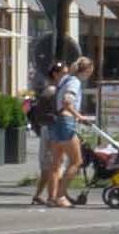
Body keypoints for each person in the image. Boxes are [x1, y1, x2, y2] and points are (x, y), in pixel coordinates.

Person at [39, 58, 93, 208]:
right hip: (66, 122)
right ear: (86, 71)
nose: (90, 75)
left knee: (56, 163)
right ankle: (61, 196)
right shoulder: (74, 82)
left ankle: (51, 197)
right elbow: (67, 102)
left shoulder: (64, 80)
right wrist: (79, 116)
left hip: (55, 123)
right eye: (90, 72)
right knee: (77, 161)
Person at [26, 63, 65, 205]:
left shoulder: (51, 89)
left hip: (48, 128)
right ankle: (55, 196)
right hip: (50, 129)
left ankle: (43, 195)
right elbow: (56, 111)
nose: (66, 76)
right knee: (53, 164)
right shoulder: (53, 90)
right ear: (55, 74)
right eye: (63, 73)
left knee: (51, 165)